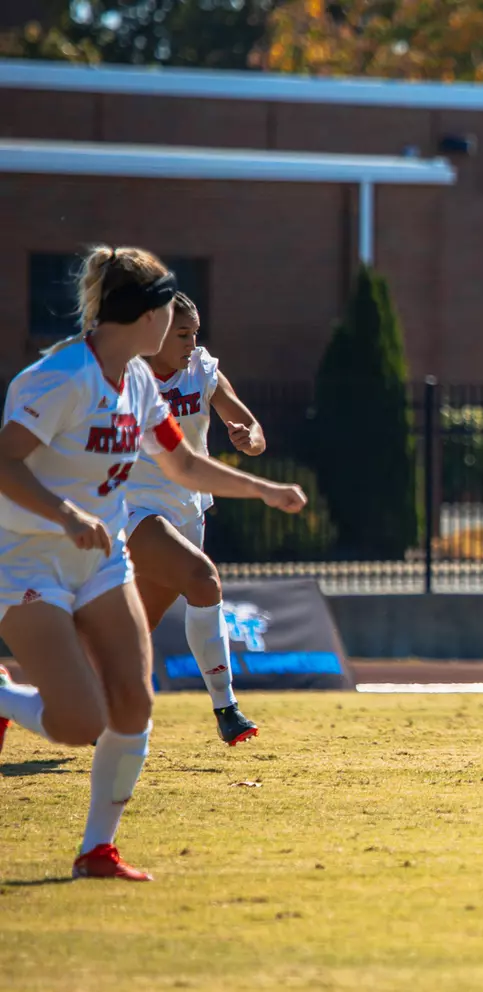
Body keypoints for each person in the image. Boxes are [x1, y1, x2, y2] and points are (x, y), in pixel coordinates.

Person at [0, 246, 306, 880]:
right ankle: (5, 697)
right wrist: (65, 515)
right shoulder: (58, 377)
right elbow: (3, 462)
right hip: (29, 560)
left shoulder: (137, 382)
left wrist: (264, 490)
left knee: (133, 706)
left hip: (102, 558)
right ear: (144, 316)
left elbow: (184, 464)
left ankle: (97, 851)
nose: (181, 326)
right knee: (80, 720)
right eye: (170, 312)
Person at [127, 293, 266, 744]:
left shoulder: (203, 369)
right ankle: (227, 709)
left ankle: (76, 695)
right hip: (134, 506)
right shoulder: (122, 375)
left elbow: (253, 430)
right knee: (203, 581)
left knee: (136, 623)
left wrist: (248, 439)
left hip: (188, 505)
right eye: (182, 334)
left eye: (195, 333)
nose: (192, 343)